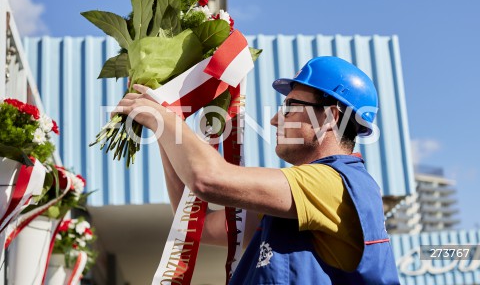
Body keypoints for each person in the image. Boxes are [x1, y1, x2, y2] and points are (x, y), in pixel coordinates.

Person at [115, 56, 400, 284]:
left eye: (289, 107)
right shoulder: (295, 201)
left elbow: (208, 179)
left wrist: (162, 119)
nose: (275, 119)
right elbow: (194, 225)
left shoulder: (334, 184)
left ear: (328, 116)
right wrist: (169, 131)